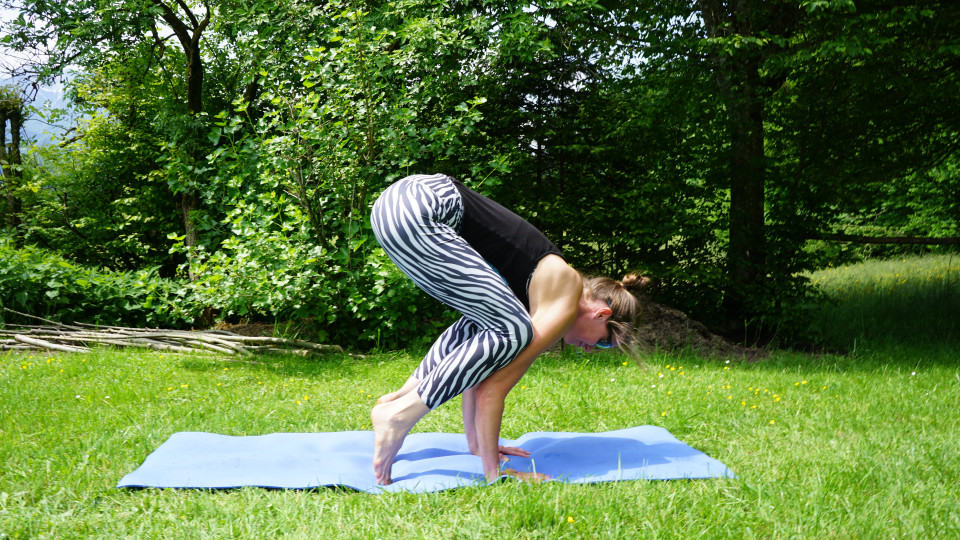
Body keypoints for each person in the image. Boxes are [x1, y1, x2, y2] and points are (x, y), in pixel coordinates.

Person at [369, 173, 643, 485]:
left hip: (394, 208)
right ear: (601, 314)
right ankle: (400, 413)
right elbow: (493, 388)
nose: (591, 350)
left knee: (490, 329)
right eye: (605, 344)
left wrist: (476, 446)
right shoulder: (565, 292)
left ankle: (399, 399)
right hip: (424, 206)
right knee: (513, 330)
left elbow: (482, 369)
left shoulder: (534, 291)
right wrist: (494, 473)